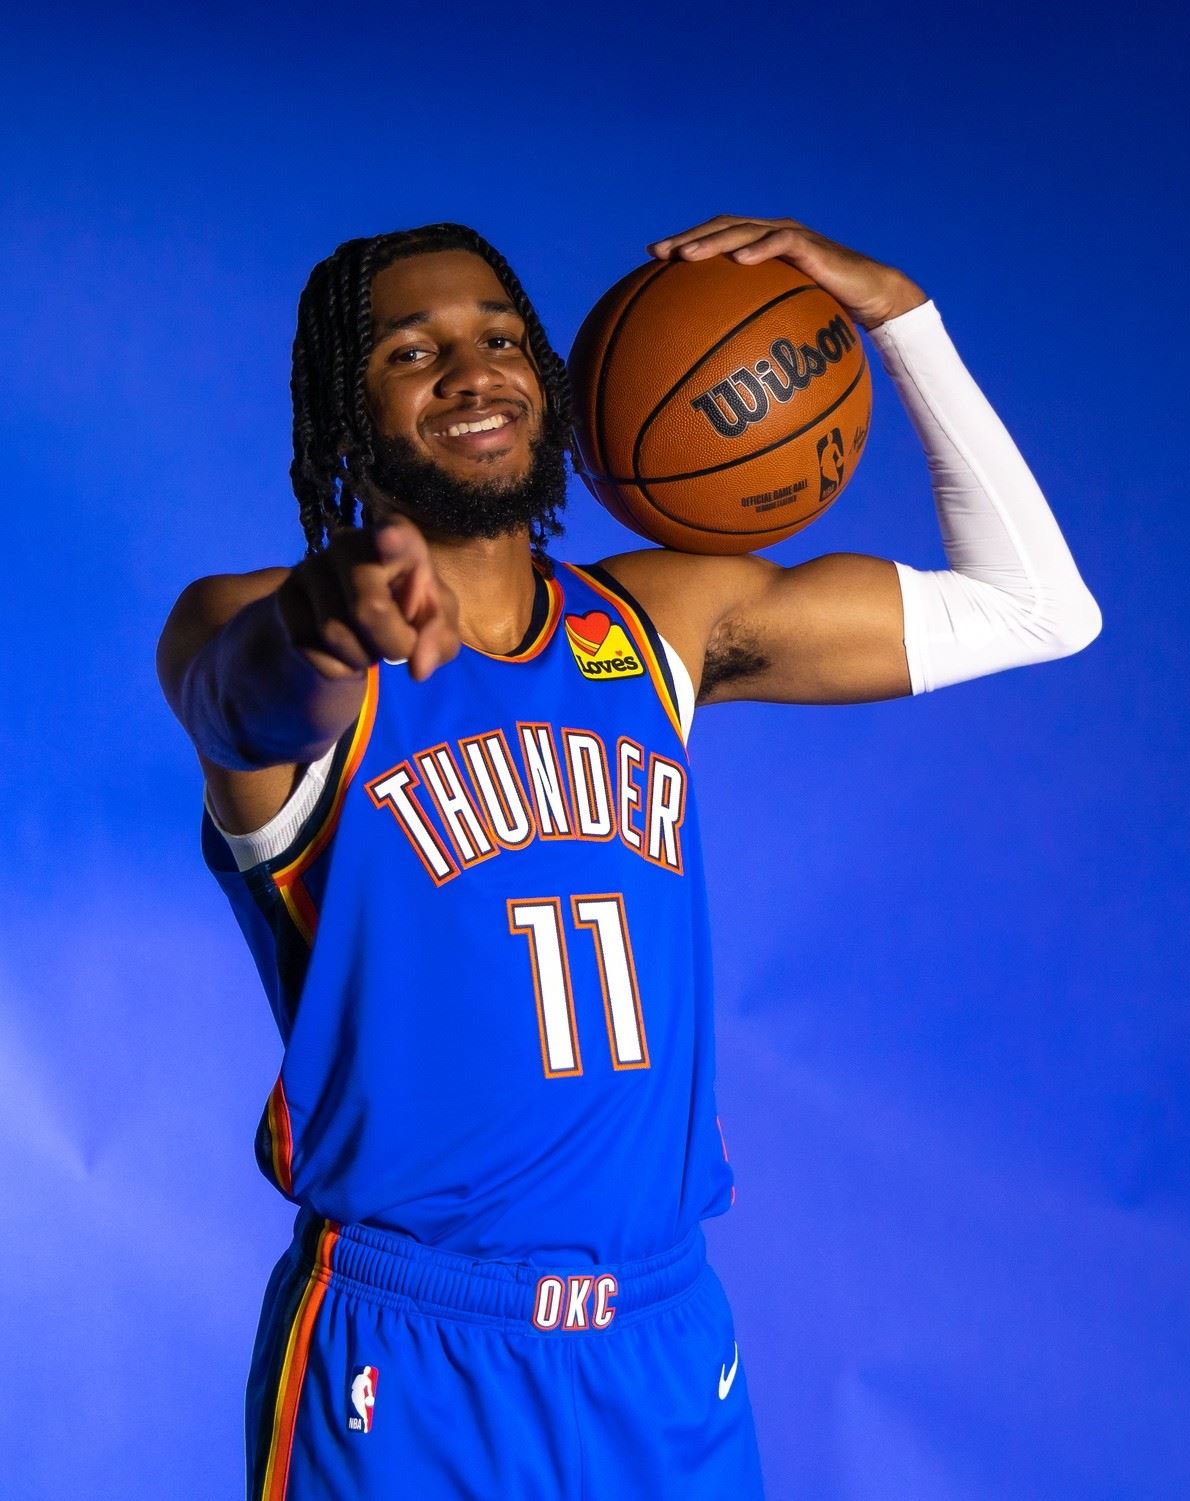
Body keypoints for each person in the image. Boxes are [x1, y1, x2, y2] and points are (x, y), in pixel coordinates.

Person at [157, 214, 1101, 1500]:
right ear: (344, 407)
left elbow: (1038, 604)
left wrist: (897, 317)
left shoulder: (661, 621)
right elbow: (236, 700)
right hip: (411, 1349)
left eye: (499, 338)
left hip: (661, 1341)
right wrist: (329, 622)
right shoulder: (258, 624)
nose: (470, 370)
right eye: (409, 352)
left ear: (551, 378)